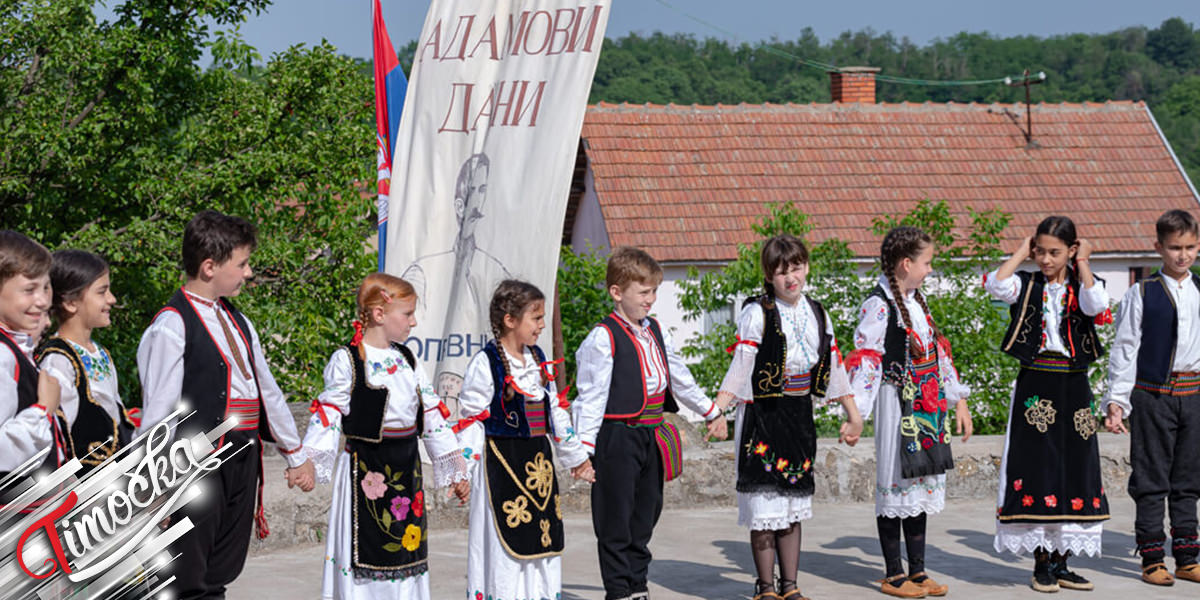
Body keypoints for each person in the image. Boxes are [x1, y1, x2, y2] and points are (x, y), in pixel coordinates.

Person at [136, 210, 316, 599]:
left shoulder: (238, 321)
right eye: (242, 264)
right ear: (209, 267)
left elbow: (267, 392)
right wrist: (152, 482)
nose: (248, 273)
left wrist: (295, 453)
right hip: (196, 462)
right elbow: (158, 413)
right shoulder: (172, 325)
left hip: (241, 455)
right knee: (189, 570)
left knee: (222, 564)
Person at [574, 246, 728, 600]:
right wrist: (584, 451)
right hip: (617, 437)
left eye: (654, 291)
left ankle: (637, 584)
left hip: (651, 434)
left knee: (646, 514)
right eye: (643, 292)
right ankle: (619, 590)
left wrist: (710, 411)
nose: (651, 299)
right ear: (617, 292)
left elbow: (679, 376)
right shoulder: (603, 337)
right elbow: (591, 398)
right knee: (616, 518)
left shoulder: (655, 330)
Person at [303, 272, 469, 599]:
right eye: (407, 314)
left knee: (406, 551)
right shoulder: (348, 360)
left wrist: (455, 469)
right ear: (380, 314)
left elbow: (432, 414)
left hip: (406, 471)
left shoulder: (407, 359)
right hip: (365, 471)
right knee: (365, 549)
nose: (414, 322)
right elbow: (328, 414)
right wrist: (308, 460)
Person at [716, 234, 864, 599]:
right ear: (769, 276)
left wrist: (854, 414)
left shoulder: (818, 312)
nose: (790, 277)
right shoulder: (757, 312)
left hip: (799, 415)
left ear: (806, 267)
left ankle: (790, 586)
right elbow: (741, 365)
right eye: (781, 271)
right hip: (763, 415)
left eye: (796, 268)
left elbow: (834, 365)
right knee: (765, 506)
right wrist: (718, 410)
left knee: (792, 505)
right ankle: (766, 588)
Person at [984, 216, 1111, 593]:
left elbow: (1096, 305)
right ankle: (1041, 561)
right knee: (1037, 466)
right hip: (1036, 380)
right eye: (1040, 251)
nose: (1045, 259)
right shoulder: (1027, 284)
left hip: (1074, 382)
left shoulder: (1084, 284)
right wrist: (1020, 251)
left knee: (1075, 465)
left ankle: (1062, 561)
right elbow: (996, 284)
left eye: (1055, 252)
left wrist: (1083, 262)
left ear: (1071, 250)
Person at [848, 226, 972, 598]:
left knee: (920, 480)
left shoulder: (917, 302)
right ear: (906, 264)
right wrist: (857, 413)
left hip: (926, 404)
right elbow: (868, 361)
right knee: (896, 480)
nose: (930, 270)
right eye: (927, 263)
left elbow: (938, 354)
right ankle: (893, 573)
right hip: (895, 403)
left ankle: (917, 570)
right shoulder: (879, 305)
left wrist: (959, 399)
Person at [457, 279, 593, 599]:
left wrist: (577, 459)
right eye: (536, 317)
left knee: (541, 541)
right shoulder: (487, 363)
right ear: (510, 320)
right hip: (501, 468)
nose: (542, 325)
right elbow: (472, 422)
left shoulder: (536, 358)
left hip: (538, 469)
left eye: (543, 317)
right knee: (505, 545)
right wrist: (461, 470)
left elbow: (554, 413)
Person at [1102, 209, 1200, 586]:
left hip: (1194, 395)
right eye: (1175, 248)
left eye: (1190, 247)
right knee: (1151, 479)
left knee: (1188, 479)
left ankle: (1187, 556)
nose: (1182, 255)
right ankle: (1152, 558)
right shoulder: (1142, 293)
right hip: (1153, 396)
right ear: (1159, 247)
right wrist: (1117, 401)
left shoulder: (1199, 290)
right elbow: (1125, 349)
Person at [37, 250, 135, 475]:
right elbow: (60, 434)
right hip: (86, 480)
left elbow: (116, 414)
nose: (112, 299)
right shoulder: (58, 360)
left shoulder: (101, 353)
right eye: (102, 292)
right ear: (71, 302)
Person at [0, 231, 63, 503]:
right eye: (29, 290)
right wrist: (43, 409)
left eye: (46, 287)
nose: (42, 301)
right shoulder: (3, 354)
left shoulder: (16, 350)